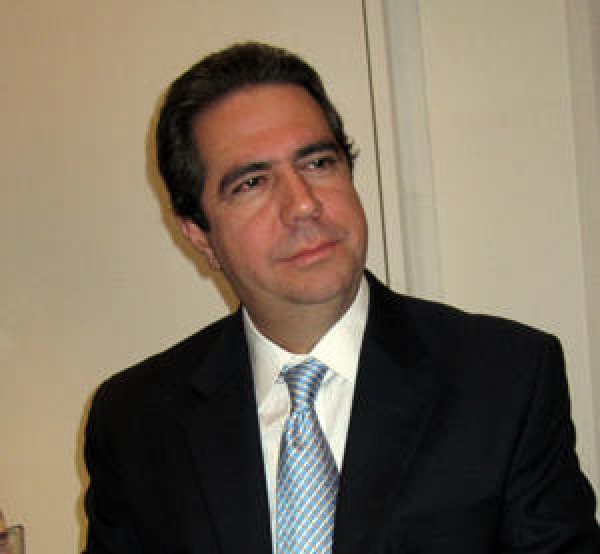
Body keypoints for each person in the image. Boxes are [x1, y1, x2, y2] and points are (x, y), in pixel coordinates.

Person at [83, 42, 600, 553]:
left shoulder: (504, 380)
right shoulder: (134, 423)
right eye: (253, 182)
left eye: (317, 163)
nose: (303, 204)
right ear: (199, 235)